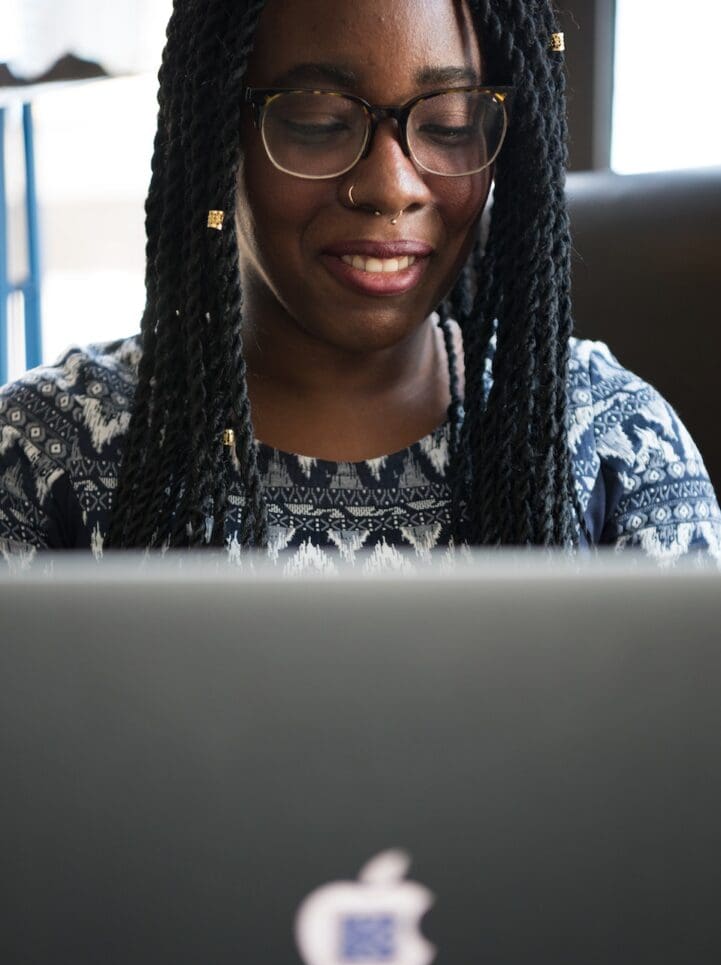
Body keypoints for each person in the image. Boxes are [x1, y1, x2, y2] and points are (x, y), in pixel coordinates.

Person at [1, 0, 719, 567]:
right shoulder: (39, 455)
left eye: (447, 123)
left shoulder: (615, 442)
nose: (390, 186)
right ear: (217, 128)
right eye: (317, 121)